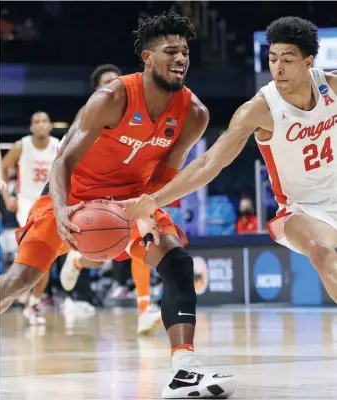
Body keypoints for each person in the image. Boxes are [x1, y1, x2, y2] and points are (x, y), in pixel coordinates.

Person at [0, 9, 237, 399]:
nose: (181, 59)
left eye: (186, 53)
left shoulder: (193, 114)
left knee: (177, 261)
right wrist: (60, 211)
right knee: (18, 281)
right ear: (147, 57)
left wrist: (145, 210)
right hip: (73, 200)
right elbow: (63, 162)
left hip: (130, 203)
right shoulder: (112, 97)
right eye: (171, 51)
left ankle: (184, 370)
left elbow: (166, 173)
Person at [118, 16, 337, 304]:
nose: (278, 68)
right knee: (320, 252)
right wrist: (154, 200)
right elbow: (211, 163)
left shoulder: (331, 87)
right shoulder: (259, 110)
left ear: (308, 62)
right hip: (303, 211)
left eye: (288, 59)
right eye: (272, 58)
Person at [59, 63, 161, 334]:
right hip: (92, 190)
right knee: (106, 249)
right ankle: (79, 260)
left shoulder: (140, 116)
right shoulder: (88, 117)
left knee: (143, 241)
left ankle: (144, 308)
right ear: (97, 91)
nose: (114, 87)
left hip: (128, 188)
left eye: (118, 82)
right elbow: (64, 160)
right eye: (107, 83)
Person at [1, 112, 59, 324]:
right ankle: (24, 296)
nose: (41, 125)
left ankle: (32, 301)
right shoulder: (21, 146)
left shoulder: (59, 145)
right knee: (41, 251)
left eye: (44, 121)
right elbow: (4, 166)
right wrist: (7, 195)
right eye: (36, 122)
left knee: (47, 255)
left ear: (50, 126)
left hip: (50, 202)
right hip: (27, 202)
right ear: (31, 127)